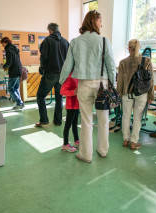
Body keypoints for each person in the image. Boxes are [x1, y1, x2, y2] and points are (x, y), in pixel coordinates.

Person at [60, 10, 116, 163]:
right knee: (104, 120)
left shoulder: (75, 41)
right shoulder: (104, 41)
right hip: (102, 86)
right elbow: (111, 66)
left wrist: (60, 81)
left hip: (83, 85)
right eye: (99, 21)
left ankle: (86, 155)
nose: (101, 24)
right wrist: (114, 84)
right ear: (93, 22)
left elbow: (67, 65)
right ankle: (103, 151)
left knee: (85, 121)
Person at [117, 39, 154, 150]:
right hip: (141, 93)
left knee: (126, 117)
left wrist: (119, 94)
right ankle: (134, 142)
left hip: (126, 93)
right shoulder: (147, 60)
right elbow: (151, 80)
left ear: (129, 48)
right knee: (137, 118)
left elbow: (119, 81)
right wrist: (151, 95)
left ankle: (125, 139)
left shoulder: (123, 62)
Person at [36, 23, 69, 127]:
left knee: (40, 96)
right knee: (59, 97)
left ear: (50, 31)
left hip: (50, 74)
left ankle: (44, 120)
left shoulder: (47, 41)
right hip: (62, 75)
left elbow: (44, 57)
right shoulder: (65, 42)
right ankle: (58, 121)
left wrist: (42, 69)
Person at [0, 37, 24, 110]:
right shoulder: (14, 49)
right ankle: (19, 104)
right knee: (15, 88)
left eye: (2, 44)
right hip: (19, 70)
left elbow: (10, 62)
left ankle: (20, 103)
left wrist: (3, 67)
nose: (2, 46)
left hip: (14, 71)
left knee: (10, 89)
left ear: (6, 42)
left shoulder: (8, 49)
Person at [60, 73, 79, 153]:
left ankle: (76, 141)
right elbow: (62, 91)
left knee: (75, 124)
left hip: (77, 104)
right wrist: (74, 92)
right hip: (71, 105)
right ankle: (65, 144)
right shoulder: (69, 77)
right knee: (68, 125)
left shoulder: (78, 76)